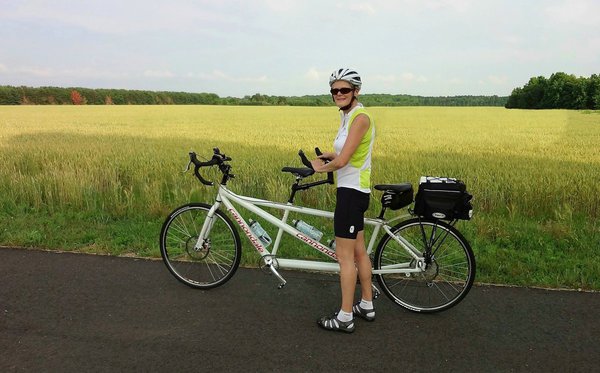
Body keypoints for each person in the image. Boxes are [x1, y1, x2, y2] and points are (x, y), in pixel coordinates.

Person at [310, 68, 375, 333]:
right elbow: (342, 152)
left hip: (352, 194)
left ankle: (345, 317)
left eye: (344, 90)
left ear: (356, 91)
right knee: (359, 252)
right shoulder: (347, 116)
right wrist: (328, 155)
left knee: (344, 257)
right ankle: (366, 305)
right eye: (334, 90)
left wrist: (318, 169)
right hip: (351, 192)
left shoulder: (360, 117)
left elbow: (345, 160)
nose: (338, 94)